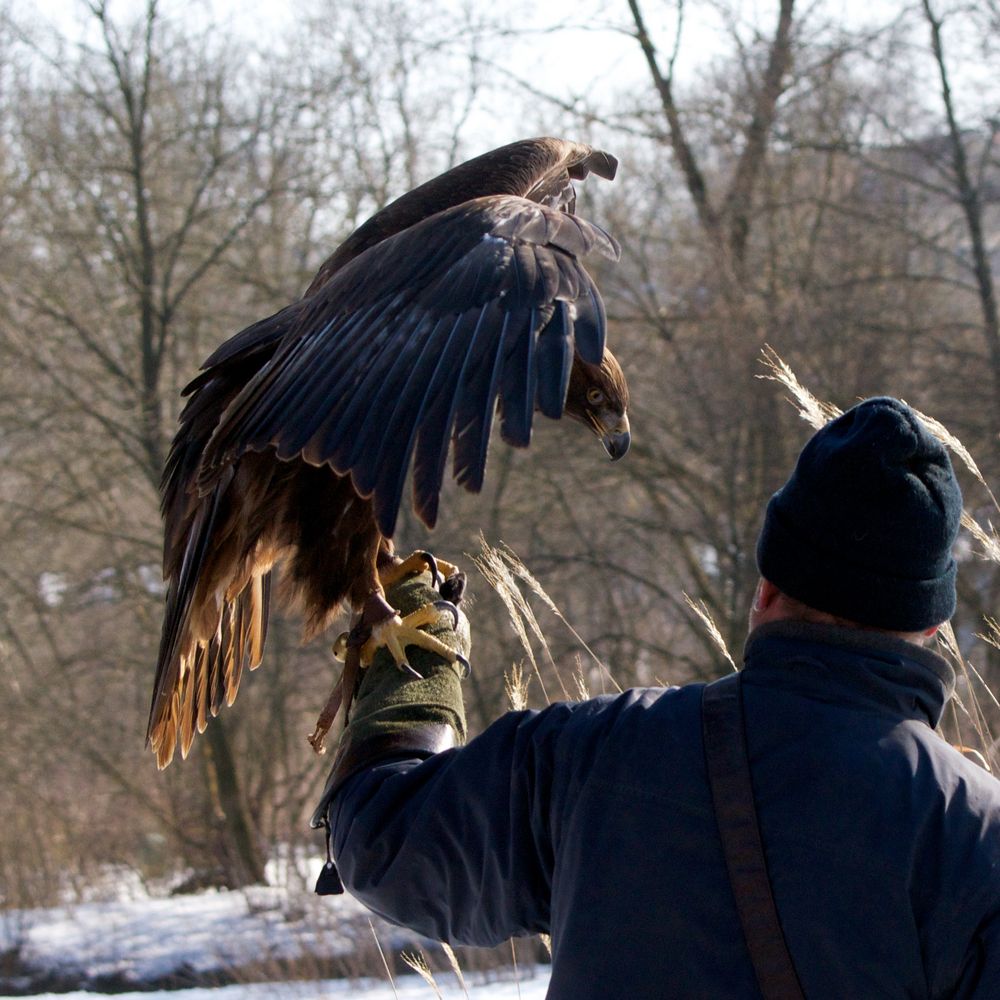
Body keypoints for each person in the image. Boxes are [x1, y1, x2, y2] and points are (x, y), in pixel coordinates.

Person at [313, 397, 1000, 998]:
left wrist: (414, 661)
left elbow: (380, 843)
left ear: (765, 589)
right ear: (931, 628)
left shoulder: (593, 754)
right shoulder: (975, 837)